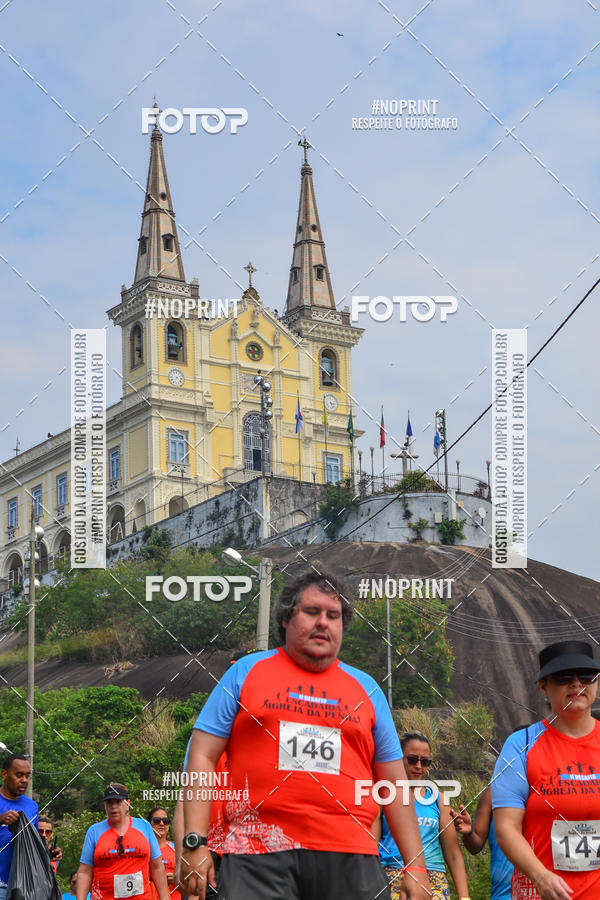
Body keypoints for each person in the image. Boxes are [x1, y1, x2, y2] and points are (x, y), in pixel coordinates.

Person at [179, 570, 429, 900]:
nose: (323, 622)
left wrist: (415, 866)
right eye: (312, 612)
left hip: (351, 855)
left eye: (333, 615)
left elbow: (394, 784)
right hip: (257, 855)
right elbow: (201, 755)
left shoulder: (367, 689)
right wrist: (194, 842)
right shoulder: (244, 673)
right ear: (286, 618)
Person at [492, 640, 600, 900]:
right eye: (564, 677)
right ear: (544, 686)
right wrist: (540, 877)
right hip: (543, 893)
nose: (576, 684)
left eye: (586, 676)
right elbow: (506, 827)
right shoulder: (521, 745)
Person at [379, 731, 470, 900]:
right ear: (399, 758)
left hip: (434, 878)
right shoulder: (383, 797)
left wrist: (464, 897)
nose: (419, 766)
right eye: (412, 759)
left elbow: (453, 854)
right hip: (392, 874)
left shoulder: (438, 800)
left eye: (425, 761)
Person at [76, 783, 169, 900]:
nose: (113, 806)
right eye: (109, 803)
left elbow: (157, 867)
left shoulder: (144, 826)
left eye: (118, 802)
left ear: (127, 804)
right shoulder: (94, 831)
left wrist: (165, 898)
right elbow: (85, 872)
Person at [451, 785, 512, 900]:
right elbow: (475, 846)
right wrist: (468, 832)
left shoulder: (547, 790)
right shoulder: (494, 790)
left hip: (544, 890)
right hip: (504, 894)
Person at [0, 754, 38, 900]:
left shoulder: (32, 806)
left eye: (28, 776)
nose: (24, 780)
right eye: (19, 775)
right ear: (4, 774)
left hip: (21, 886)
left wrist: (49, 851)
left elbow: (33, 843)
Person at [147, 808, 180, 900]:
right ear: (149, 824)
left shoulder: (177, 850)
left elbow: (191, 880)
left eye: (165, 821)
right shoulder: (143, 849)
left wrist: (177, 878)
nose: (161, 823)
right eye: (157, 820)